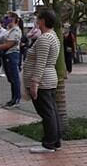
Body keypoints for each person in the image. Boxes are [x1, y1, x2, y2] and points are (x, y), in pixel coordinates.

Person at [24, 8, 62, 153]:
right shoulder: (53, 36)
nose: (36, 21)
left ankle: (49, 144)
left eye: (38, 18)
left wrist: (34, 83)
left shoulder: (45, 39)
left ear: (43, 21)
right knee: (51, 111)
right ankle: (55, 141)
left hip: (43, 81)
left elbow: (41, 63)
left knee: (47, 113)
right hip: (48, 79)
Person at [0, 13, 22, 108]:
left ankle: (16, 100)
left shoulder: (16, 30)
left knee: (14, 78)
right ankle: (13, 99)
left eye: (8, 18)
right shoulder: (9, 30)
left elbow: (9, 44)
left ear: (14, 19)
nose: (6, 20)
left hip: (12, 55)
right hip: (7, 55)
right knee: (11, 79)